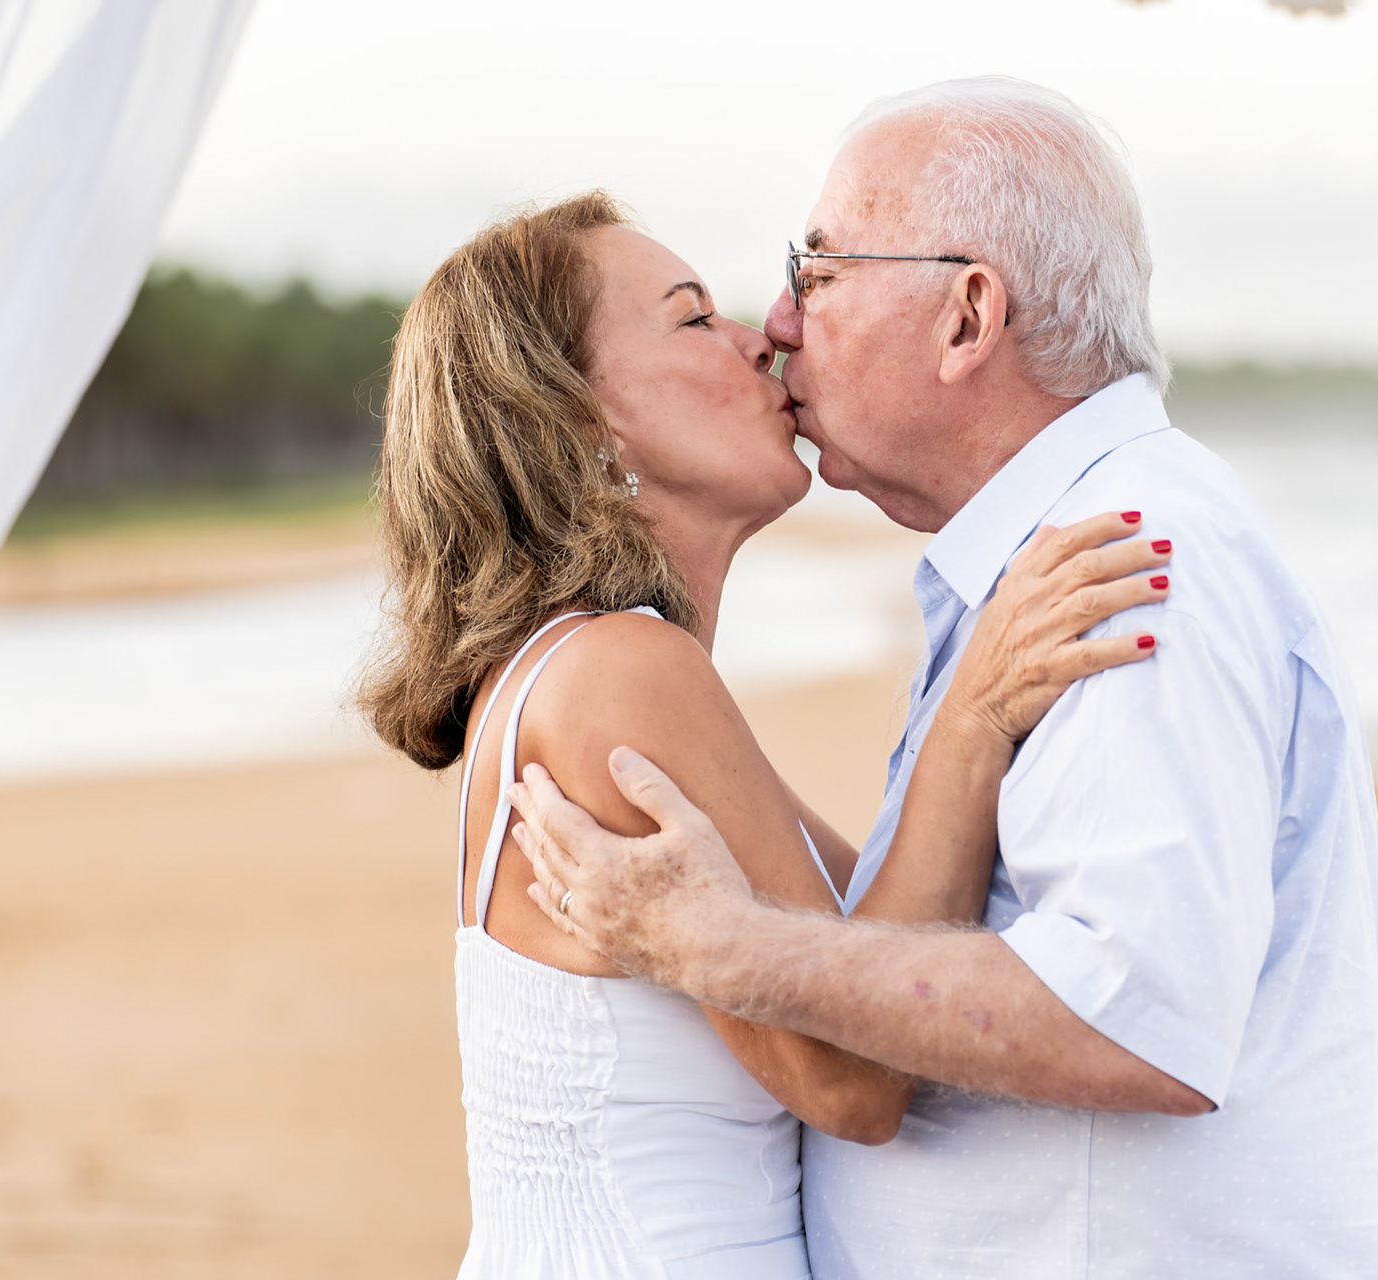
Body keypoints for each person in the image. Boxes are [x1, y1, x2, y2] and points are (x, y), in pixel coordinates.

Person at [508, 78, 1378, 1279]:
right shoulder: (1048, 562)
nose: (778, 322)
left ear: (967, 317)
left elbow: (1128, 1011)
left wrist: (717, 943)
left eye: (821, 273)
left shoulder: (1132, 559)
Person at [356, 190, 1175, 1278]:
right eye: (695, 319)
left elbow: (878, 934)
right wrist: (974, 714)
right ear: (580, 418)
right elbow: (856, 1074)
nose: (763, 335)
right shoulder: (618, 673)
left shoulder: (597, 669)